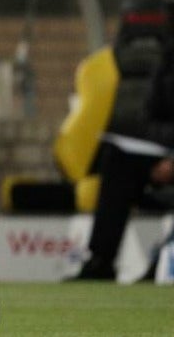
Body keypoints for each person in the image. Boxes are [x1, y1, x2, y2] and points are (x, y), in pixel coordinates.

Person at [73, 32, 174, 280]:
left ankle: (162, 263)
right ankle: (101, 260)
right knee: (118, 159)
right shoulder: (169, 58)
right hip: (165, 150)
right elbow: (150, 114)